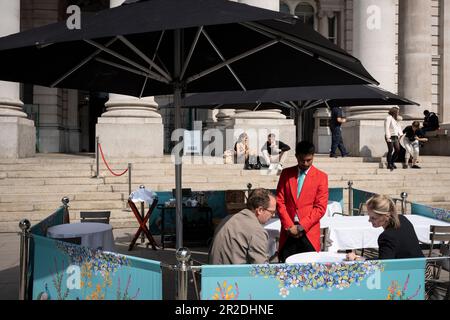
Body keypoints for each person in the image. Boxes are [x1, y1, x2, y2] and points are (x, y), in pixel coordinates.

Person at [276, 141, 329, 263]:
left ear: (313, 156)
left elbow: (320, 208)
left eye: (309, 160)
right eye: (302, 160)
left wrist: (301, 226)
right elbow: (280, 201)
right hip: (288, 232)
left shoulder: (321, 177)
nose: (305, 163)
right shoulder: (286, 174)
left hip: (308, 232)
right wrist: (289, 226)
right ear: (296, 156)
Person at [208, 188, 276, 265]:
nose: (273, 215)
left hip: (213, 274)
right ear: (260, 210)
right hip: (233, 275)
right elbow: (261, 268)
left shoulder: (227, 219)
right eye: (272, 212)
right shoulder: (257, 231)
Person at [346, 194, 423, 261]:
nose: (369, 220)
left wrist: (357, 259)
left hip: (411, 274)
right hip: (423, 268)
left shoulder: (387, 236)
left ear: (385, 216)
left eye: (373, 218)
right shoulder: (403, 219)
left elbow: (384, 265)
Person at [384, 106, 403, 171]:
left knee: (397, 149)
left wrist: (400, 134)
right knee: (391, 150)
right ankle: (389, 164)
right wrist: (388, 137)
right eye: (397, 112)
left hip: (395, 136)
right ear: (394, 112)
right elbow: (386, 128)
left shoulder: (396, 119)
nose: (398, 113)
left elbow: (398, 127)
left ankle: (392, 162)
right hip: (390, 136)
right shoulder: (388, 118)